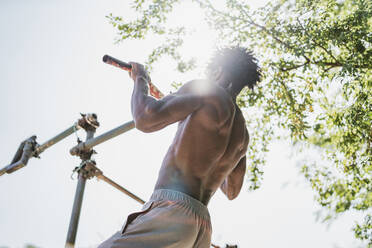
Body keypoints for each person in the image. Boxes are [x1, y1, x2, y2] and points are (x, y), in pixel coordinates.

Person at [99, 47, 260, 248]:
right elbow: (232, 190)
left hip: (171, 210)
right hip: (200, 229)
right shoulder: (242, 135)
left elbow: (145, 118)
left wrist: (140, 79)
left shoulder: (207, 91)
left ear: (218, 70)